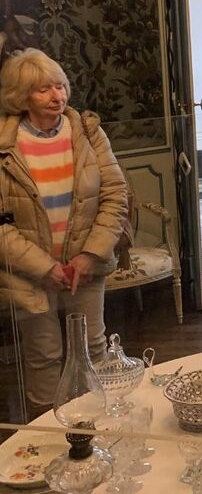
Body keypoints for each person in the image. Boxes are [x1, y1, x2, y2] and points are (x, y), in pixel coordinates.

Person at [0, 49, 127, 416]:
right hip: (29, 274)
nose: (57, 97)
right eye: (43, 90)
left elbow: (115, 195)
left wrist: (89, 256)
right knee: (43, 357)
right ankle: (48, 443)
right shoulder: (5, 144)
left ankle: (101, 428)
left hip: (86, 265)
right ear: (20, 96)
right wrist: (44, 267)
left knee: (94, 347)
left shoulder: (88, 132)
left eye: (60, 86)